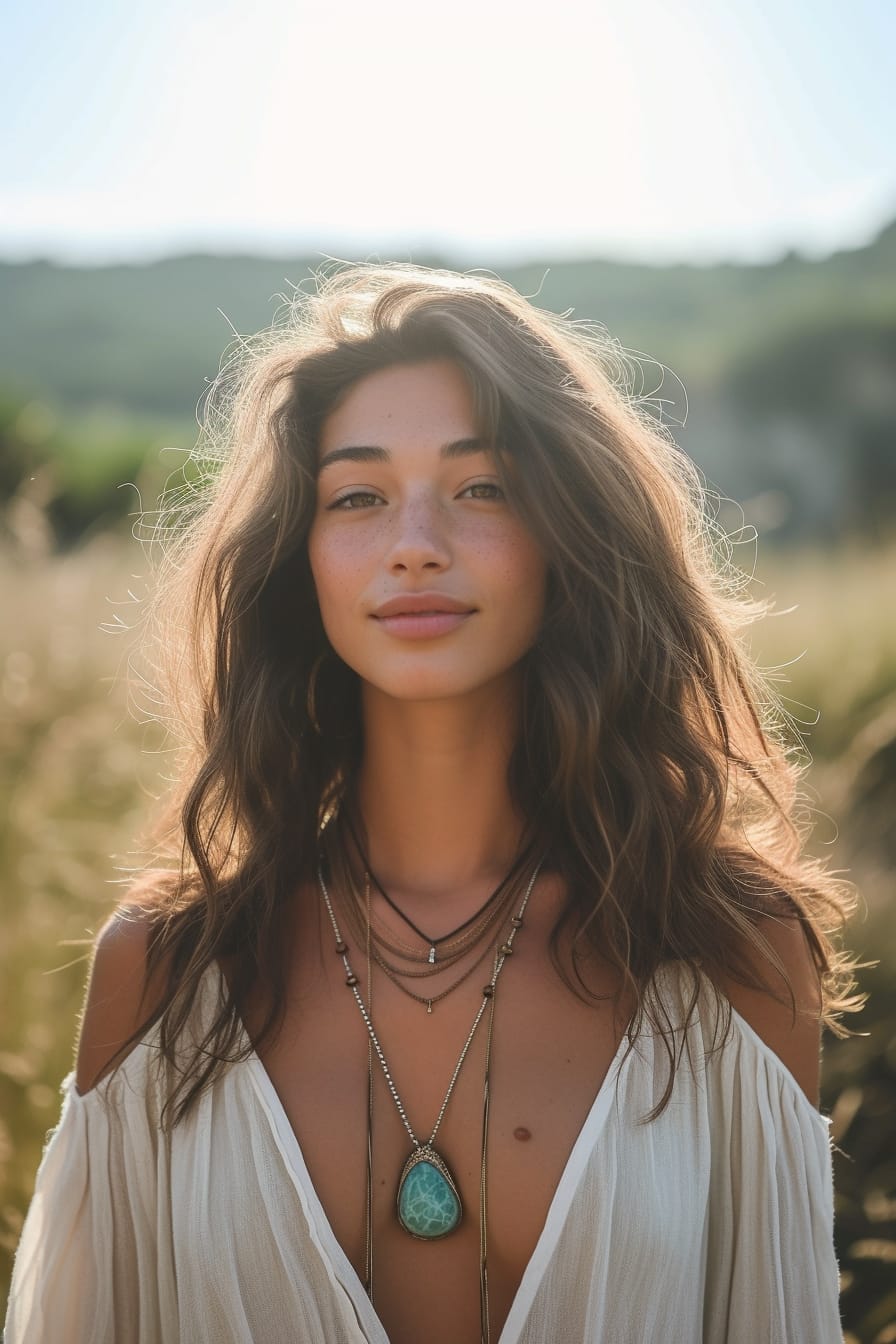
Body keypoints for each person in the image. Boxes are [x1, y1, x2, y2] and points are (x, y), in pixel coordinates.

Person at [5, 263, 861, 1343]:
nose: (415, 542)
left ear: (567, 536)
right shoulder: (168, 974)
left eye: (482, 487)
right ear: (300, 560)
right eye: (357, 496)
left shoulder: (728, 958)